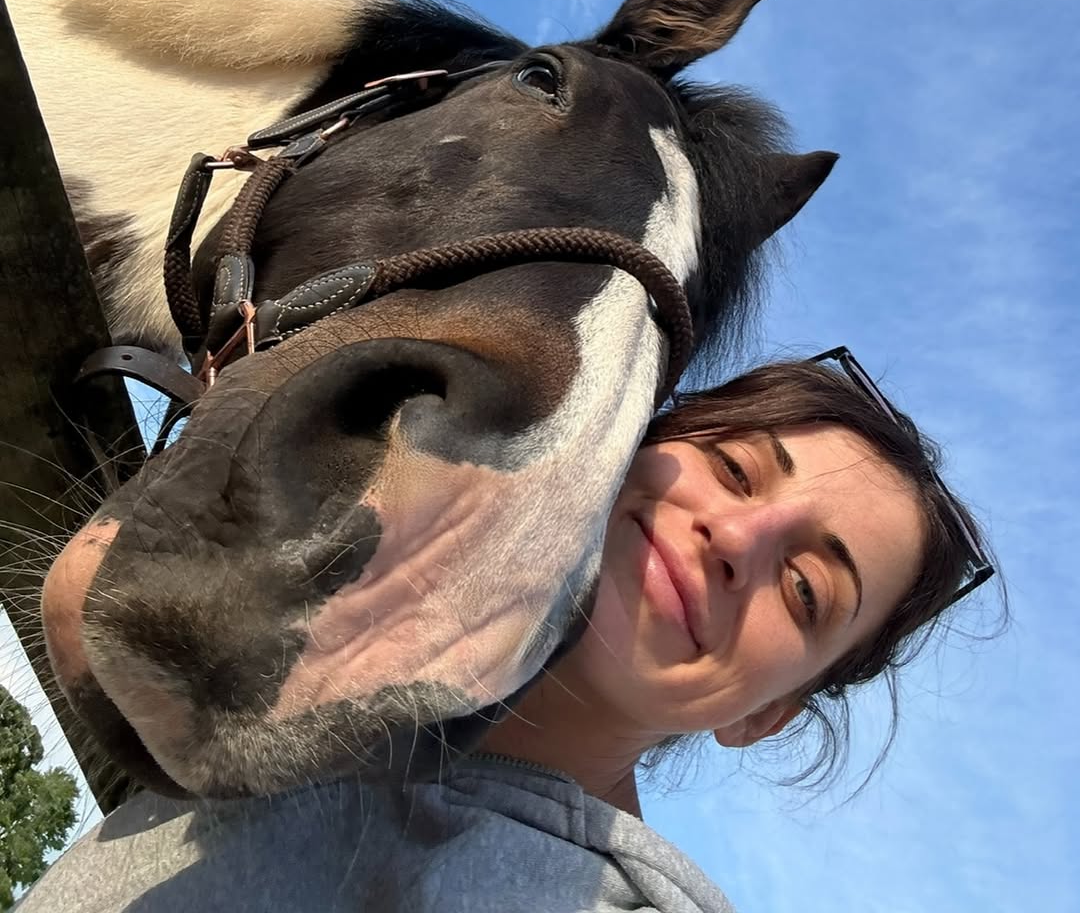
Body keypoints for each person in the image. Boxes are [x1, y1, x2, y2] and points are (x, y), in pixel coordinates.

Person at [18, 351, 996, 913]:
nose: (736, 538)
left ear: (764, 714)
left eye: (805, 589)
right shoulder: (312, 697)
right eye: (736, 469)